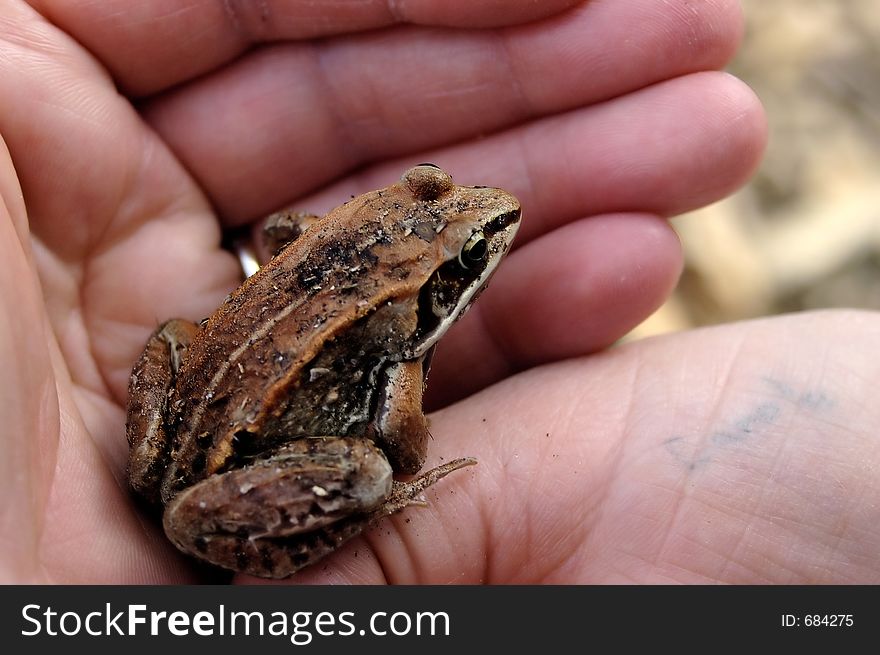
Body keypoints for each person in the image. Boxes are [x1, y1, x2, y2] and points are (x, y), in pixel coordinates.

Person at [2, 0, 873, 585]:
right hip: (219, 477)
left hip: (181, 424)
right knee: (376, 470)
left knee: (173, 333)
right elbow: (409, 444)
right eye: (454, 265)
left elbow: (278, 237)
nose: (482, 217)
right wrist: (394, 475)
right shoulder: (398, 353)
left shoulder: (310, 233)